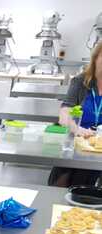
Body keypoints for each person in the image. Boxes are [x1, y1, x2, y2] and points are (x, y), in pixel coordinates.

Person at [50, 41, 102, 187]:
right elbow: (65, 112)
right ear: (96, 57)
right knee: (62, 182)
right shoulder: (80, 81)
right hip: (77, 142)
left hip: (99, 147)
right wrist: (76, 129)